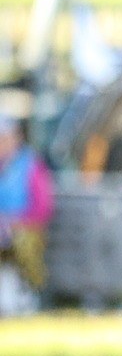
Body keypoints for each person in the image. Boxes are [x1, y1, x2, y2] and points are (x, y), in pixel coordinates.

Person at [0, 116, 54, 312]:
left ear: (17, 138)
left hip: (25, 229)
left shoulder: (30, 165)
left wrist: (15, 222)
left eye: (5, 138)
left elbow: (42, 207)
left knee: (23, 242)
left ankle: (32, 294)